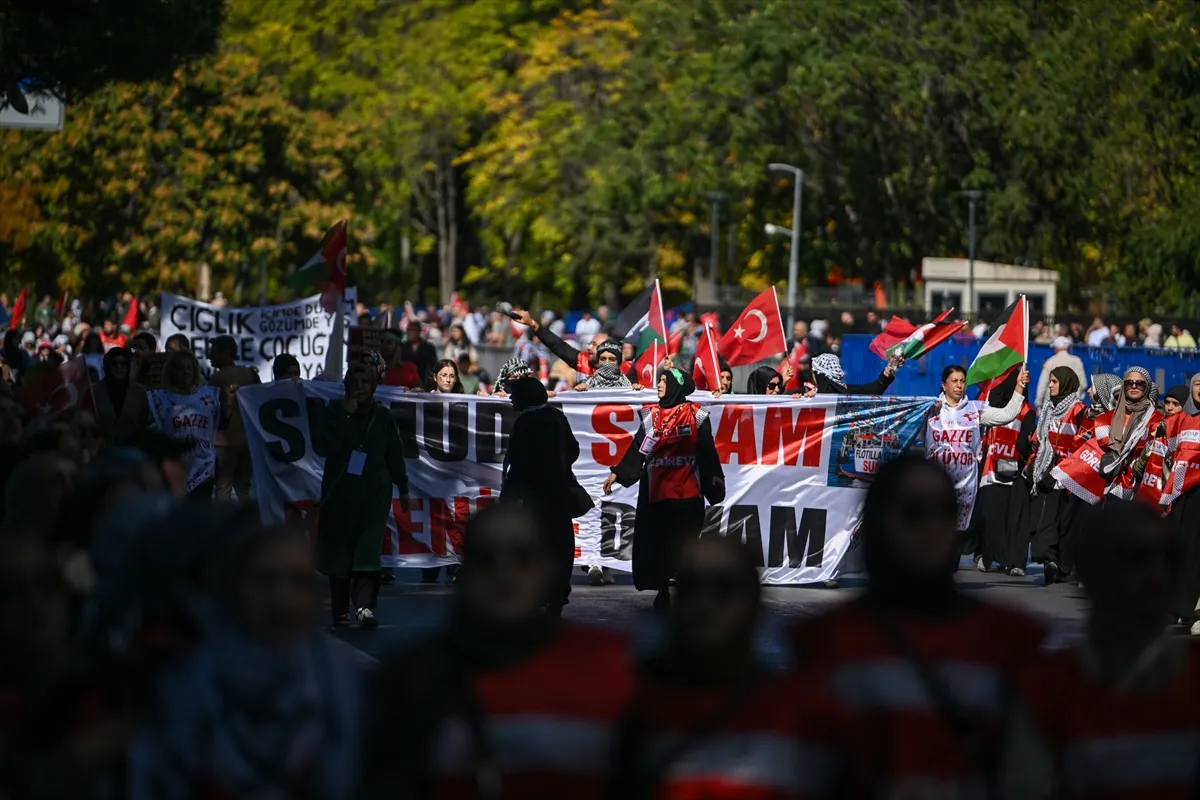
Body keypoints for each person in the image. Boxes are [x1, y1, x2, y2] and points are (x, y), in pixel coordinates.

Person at [790, 454, 1045, 799]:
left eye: (944, 512)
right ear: (878, 522)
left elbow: (1029, 776)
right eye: (913, 512)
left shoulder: (1010, 641)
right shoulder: (825, 642)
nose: (931, 527)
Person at [360, 503, 635, 800]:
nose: (505, 573)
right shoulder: (415, 679)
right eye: (486, 560)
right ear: (467, 571)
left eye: (521, 557)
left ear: (546, 568)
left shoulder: (610, 670)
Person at [129, 523, 364, 800]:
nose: (283, 599)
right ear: (235, 590)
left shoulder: (342, 681)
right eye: (265, 581)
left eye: (298, 582)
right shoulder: (186, 685)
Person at [608, 534, 852, 799]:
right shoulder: (630, 712)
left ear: (753, 602)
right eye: (689, 586)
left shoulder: (805, 719)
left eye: (724, 587)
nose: (704, 603)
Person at [999, 501, 1198, 798]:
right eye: (1135, 558)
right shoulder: (1046, 691)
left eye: (1169, 559)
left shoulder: (1193, 678)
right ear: (1092, 572)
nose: (1156, 573)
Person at [603, 368, 725, 610]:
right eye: (659, 380)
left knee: (687, 546)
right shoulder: (651, 415)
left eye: (663, 380)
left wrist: (715, 479)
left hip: (688, 493)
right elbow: (639, 447)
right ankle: (662, 591)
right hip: (656, 493)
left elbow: (707, 450)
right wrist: (618, 472)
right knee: (658, 545)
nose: (658, 384)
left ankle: (688, 592)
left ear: (675, 386)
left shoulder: (697, 415)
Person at [312, 360, 409, 628]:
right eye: (354, 382)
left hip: (374, 496)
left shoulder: (384, 417)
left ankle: (364, 606)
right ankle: (340, 611)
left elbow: (394, 455)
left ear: (373, 386)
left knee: (367, 550)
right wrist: (345, 415)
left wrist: (403, 487)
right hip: (340, 496)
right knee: (340, 554)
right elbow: (322, 445)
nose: (360, 387)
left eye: (365, 382)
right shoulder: (333, 413)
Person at [501, 377, 590, 617]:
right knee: (560, 548)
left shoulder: (525, 423)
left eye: (515, 394)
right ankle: (557, 597)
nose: (511, 398)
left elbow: (519, 465)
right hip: (559, 496)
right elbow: (573, 450)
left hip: (535, 500)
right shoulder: (557, 417)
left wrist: (510, 496)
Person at [925, 364, 1029, 547]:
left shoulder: (975, 410)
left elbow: (1007, 414)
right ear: (943, 385)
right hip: (937, 483)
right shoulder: (929, 409)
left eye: (962, 381)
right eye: (954, 381)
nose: (959, 385)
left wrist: (1019, 386)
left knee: (956, 537)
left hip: (965, 484)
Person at [1027, 367, 1087, 586]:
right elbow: (1042, 438)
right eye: (1050, 381)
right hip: (1047, 475)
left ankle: (1061, 567)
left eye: (1054, 381)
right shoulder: (1048, 409)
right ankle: (1049, 561)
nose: (1050, 385)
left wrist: (1063, 470)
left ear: (1066, 383)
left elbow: (1083, 447)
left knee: (1065, 527)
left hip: (1068, 479)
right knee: (1043, 522)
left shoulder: (1079, 411)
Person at [973, 369, 1036, 575]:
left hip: (998, 470)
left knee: (995, 517)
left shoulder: (997, 408)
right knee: (1011, 519)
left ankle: (991, 557)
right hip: (1009, 471)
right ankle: (1012, 562)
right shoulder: (1025, 411)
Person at [146, 351, 223, 499]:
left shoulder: (210, 396)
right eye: (181, 368)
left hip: (205, 468)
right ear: (172, 372)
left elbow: (224, 421)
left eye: (189, 368)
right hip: (178, 468)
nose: (186, 372)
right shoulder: (159, 399)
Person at [1164, 374, 1200, 631]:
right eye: (1198, 384)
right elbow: (1169, 455)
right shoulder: (1181, 419)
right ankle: (1177, 607)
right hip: (1181, 493)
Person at [206, 335, 261, 503]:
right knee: (243, 488)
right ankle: (247, 518)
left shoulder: (216, 379)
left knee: (223, 488)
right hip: (247, 441)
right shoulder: (250, 374)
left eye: (214, 352)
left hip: (223, 443)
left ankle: (225, 519)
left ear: (226, 353)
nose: (210, 356)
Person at [91, 347, 147, 445]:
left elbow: (144, 423)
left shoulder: (139, 392)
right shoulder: (95, 391)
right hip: (102, 449)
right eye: (114, 364)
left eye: (123, 364)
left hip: (133, 448)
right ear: (107, 366)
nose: (119, 367)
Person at [811, 352, 902, 395]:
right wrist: (890, 368)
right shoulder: (845, 392)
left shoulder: (841, 393)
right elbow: (875, 388)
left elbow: (874, 389)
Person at [1034, 336, 1086, 409]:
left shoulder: (1050, 362)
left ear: (1056, 348)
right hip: (1072, 405)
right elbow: (1083, 384)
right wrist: (1080, 397)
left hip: (1053, 405)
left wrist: (1039, 403)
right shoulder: (1077, 361)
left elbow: (1042, 384)